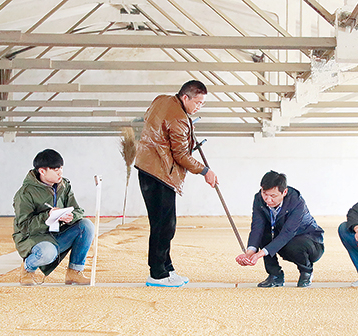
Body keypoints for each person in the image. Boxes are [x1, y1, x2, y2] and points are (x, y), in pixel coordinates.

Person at [135, 80, 218, 287]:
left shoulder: (161, 100)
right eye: (197, 102)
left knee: (161, 223)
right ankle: (157, 274)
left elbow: (152, 119)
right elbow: (181, 156)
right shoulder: (180, 119)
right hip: (160, 174)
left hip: (146, 168)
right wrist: (205, 171)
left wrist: (187, 130)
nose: (199, 107)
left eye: (202, 104)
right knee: (164, 226)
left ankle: (167, 268)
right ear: (185, 97)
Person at [13, 149, 94, 286]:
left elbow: (78, 210)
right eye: (56, 170)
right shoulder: (25, 193)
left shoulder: (64, 185)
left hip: (56, 234)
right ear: (42, 171)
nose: (60, 173)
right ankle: (27, 269)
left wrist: (71, 217)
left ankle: (74, 272)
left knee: (86, 225)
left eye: (61, 168)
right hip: (34, 238)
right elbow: (24, 227)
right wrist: (48, 216)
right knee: (47, 253)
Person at [236, 171, 324, 288]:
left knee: (292, 244)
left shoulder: (296, 202)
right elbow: (257, 227)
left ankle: (306, 271)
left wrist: (259, 255)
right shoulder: (258, 199)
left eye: (273, 196)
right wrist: (250, 252)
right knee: (264, 234)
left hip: (310, 243)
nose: (268, 200)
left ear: (284, 192)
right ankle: (275, 275)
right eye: (264, 193)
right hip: (283, 239)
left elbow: (288, 233)